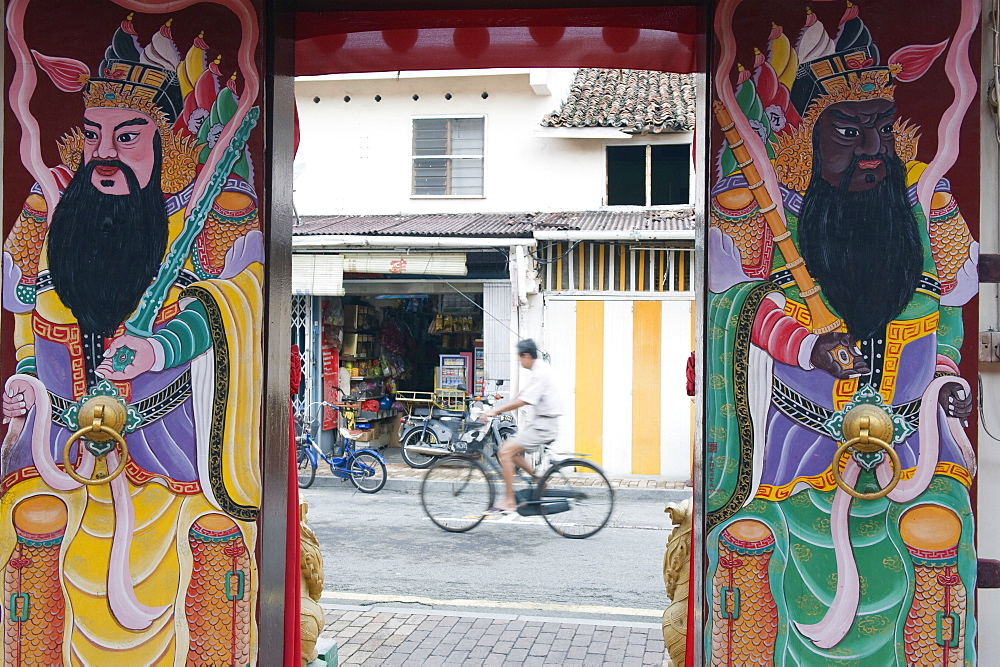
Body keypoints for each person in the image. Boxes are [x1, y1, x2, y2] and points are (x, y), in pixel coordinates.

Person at [705, 5, 978, 664]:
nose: (870, 151)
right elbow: (735, 307)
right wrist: (807, 346)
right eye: (847, 131)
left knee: (937, 542)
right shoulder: (770, 220)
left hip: (910, 450)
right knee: (745, 549)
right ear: (805, 140)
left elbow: (952, 306)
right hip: (799, 458)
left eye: (881, 130)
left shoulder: (921, 209)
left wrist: (942, 374)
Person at [0, 15, 262, 663]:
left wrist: (161, 347)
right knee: (27, 531)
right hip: (58, 448)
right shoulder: (51, 213)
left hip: (164, 454)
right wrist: (26, 385)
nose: (105, 151)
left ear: (167, 139)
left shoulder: (208, 215)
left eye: (128, 134)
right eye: (93, 135)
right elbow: (25, 315)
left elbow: (239, 300)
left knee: (214, 540)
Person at [480, 339, 562, 513]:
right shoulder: (539, 369)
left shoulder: (540, 373)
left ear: (526, 355)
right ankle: (539, 480)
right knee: (509, 449)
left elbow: (524, 400)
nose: (518, 361)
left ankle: (509, 501)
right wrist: (500, 407)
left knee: (505, 452)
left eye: (519, 357)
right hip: (541, 423)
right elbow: (524, 393)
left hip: (544, 425)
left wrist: (495, 411)